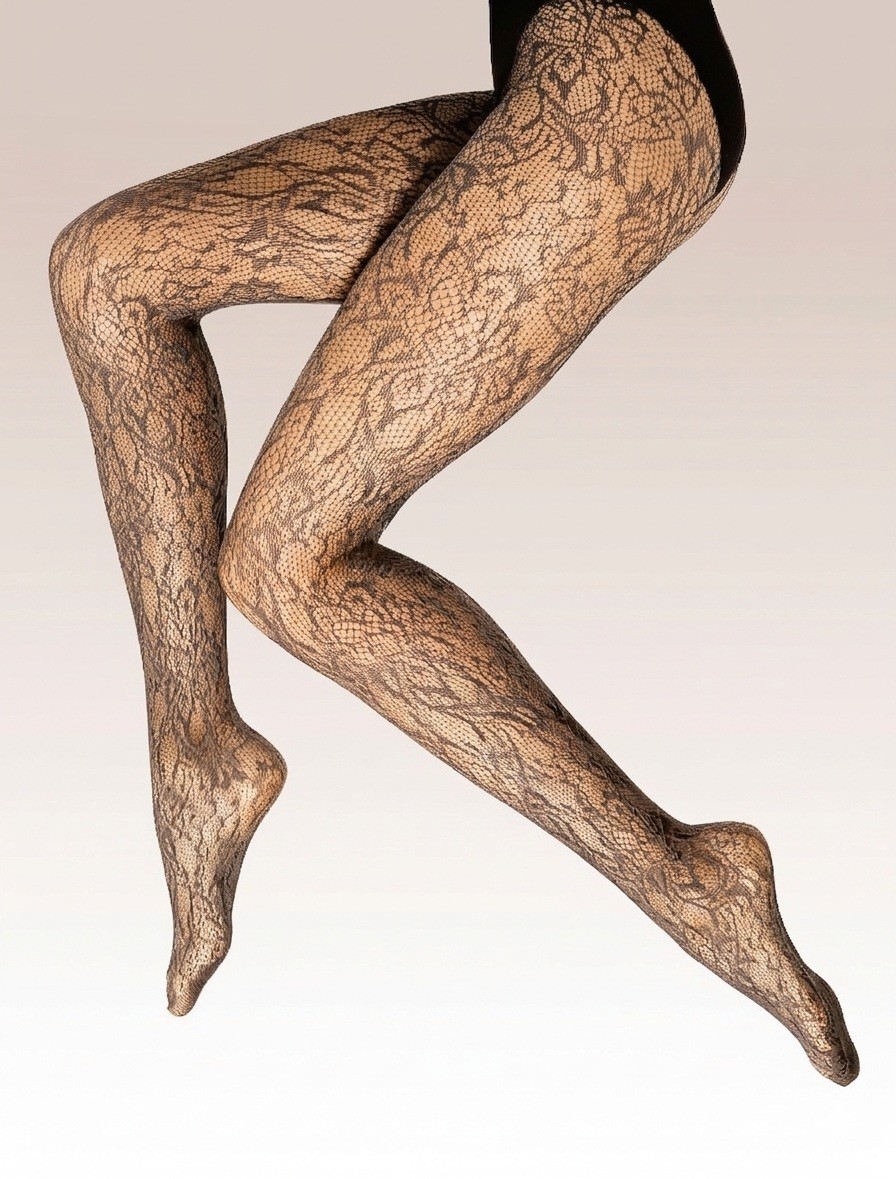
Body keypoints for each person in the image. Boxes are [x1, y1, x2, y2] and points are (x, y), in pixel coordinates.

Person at [47, 0, 859, 1084]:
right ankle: (194, 746)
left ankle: (688, 874)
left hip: (622, 87)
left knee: (285, 565)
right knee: (106, 270)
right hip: (547, 83)